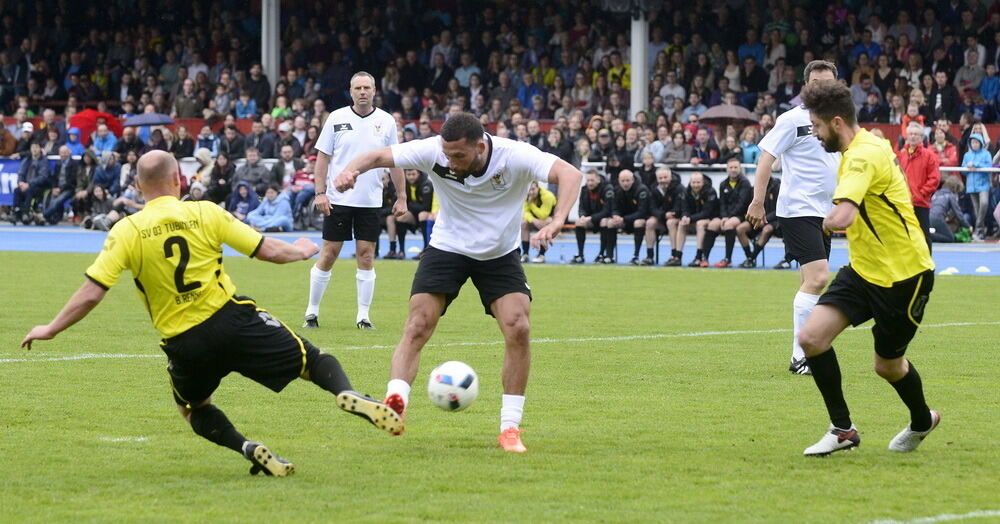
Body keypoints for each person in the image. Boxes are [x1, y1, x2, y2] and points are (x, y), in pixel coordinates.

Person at [20, 150, 402, 476]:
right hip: (232, 319)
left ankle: (249, 448)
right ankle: (347, 393)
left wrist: (51, 327)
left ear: (137, 186)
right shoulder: (205, 212)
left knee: (193, 409)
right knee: (312, 360)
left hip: (184, 342)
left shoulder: (127, 230)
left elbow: (92, 292)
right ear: (179, 179)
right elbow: (267, 250)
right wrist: (302, 250)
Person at [331, 112, 583, 452]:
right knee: (418, 323)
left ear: (480, 146)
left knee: (518, 327)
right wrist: (350, 171)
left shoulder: (516, 155)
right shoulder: (434, 150)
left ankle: (510, 428)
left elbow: (570, 173)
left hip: (498, 253)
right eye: (447, 155)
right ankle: (394, 404)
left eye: (458, 156)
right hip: (447, 247)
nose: (450, 161)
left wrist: (557, 220)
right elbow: (378, 156)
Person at [796, 79, 938, 457]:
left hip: (905, 276)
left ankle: (923, 420)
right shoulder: (870, 145)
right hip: (863, 271)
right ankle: (843, 430)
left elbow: (844, 214)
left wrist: (820, 221)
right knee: (811, 338)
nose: (814, 132)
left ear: (837, 122)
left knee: (887, 367)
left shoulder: (860, 156)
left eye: (817, 126)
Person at [747, 60, 841, 376]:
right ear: (806, 85)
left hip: (826, 213)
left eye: (826, 82)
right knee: (817, 278)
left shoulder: (839, 121)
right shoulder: (792, 120)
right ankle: (804, 355)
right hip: (798, 210)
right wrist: (758, 202)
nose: (821, 87)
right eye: (815, 82)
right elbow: (766, 160)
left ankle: (804, 350)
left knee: (809, 281)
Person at [305, 72, 407, 330]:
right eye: (358, 88)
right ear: (350, 91)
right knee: (329, 254)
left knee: (366, 255)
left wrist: (402, 196)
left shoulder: (386, 121)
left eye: (367, 87)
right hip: (338, 199)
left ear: (374, 91)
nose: (362, 92)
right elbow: (323, 158)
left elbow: (395, 161)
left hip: (370, 201)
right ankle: (312, 312)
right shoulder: (336, 118)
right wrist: (320, 192)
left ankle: (363, 316)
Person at [897, 121, 940, 252]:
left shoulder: (929, 156)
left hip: (920, 203)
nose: (913, 136)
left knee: (924, 237)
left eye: (916, 134)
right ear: (906, 136)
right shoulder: (902, 155)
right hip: (904, 203)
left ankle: (927, 270)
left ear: (922, 137)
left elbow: (934, 179)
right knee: (904, 237)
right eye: (911, 134)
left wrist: (921, 193)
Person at [703, 157, 753, 267]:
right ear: (727, 169)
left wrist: (728, 217)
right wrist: (724, 216)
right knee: (712, 225)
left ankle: (727, 259)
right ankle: (704, 258)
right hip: (726, 216)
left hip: (741, 215)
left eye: (735, 167)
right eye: (731, 167)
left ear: (740, 169)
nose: (733, 169)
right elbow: (722, 203)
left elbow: (742, 204)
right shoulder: (723, 184)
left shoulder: (745, 183)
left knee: (729, 225)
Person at [387, 169, 434, 259]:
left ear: (419, 174)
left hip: (424, 215)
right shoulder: (403, 184)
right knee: (399, 217)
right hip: (412, 214)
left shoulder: (426, 184)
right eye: (408, 174)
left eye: (413, 174)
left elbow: (426, 207)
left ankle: (425, 249)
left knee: (422, 214)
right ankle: (400, 251)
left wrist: (410, 205)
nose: (411, 177)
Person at [608, 170, 651, 265]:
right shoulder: (617, 190)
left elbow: (642, 212)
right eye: (622, 181)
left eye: (627, 180)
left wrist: (624, 219)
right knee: (610, 222)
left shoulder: (642, 190)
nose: (625, 183)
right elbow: (614, 207)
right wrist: (616, 216)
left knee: (638, 222)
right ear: (619, 181)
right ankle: (609, 256)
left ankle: (636, 256)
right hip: (624, 220)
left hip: (638, 219)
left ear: (633, 180)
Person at [572, 170, 615, 264]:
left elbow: (607, 211)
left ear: (598, 180)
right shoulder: (584, 190)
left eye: (592, 180)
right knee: (579, 222)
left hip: (604, 219)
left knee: (604, 221)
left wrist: (590, 218)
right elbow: (581, 207)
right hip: (591, 220)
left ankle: (601, 254)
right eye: (588, 180)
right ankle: (580, 255)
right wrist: (582, 216)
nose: (589, 183)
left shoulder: (607, 189)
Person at [737, 175, 780, 267]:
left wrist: (764, 220)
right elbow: (748, 206)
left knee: (766, 230)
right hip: (757, 219)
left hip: (773, 220)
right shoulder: (753, 188)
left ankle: (752, 258)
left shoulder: (777, 187)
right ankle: (749, 257)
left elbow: (779, 209)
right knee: (740, 229)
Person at [646, 167, 685, 266]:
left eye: (665, 177)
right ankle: (650, 256)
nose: (663, 180)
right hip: (661, 216)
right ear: (657, 178)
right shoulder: (653, 188)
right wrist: (663, 215)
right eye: (660, 178)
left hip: (675, 217)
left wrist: (671, 214)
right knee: (650, 223)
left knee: (670, 222)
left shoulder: (679, 188)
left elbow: (680, 207)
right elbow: (651, 208)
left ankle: (675, 256)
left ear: (670, 177)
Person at [682, 172, 720, 267]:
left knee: (700, 224)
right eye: (693, 182)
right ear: (690, 183)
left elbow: (707, 213)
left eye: (698, 182)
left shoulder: (711, 191)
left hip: (712, 218)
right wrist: (685, 216)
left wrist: (690, 218)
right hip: (695, 218)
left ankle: (699, 256)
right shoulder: (686, 191)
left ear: (703, 182)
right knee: (681, 223)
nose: (695, 185)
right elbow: (684, 208)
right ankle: (676, 256)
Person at [521, 181, 557, 263]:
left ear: (538, 187)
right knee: (524, 224)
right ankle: (525, 254)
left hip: (551, 219)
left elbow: (543, 215)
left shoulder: (548, 196)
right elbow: (525, 213)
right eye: (529, 190)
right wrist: (534, 220)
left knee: (546, 222)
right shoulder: (527, 195)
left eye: (533, 189)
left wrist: (531, 204)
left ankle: (541, 255)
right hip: (536, 219)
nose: (531, 192)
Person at [928, 175, 972, 243]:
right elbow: (959, 214)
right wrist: (968, 226)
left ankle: (929, 235)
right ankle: (929, 236)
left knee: (940, 232)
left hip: (929, 217)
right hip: (938, 218)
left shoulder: (936, 193)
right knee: (950, 238)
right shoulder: (951, 196)